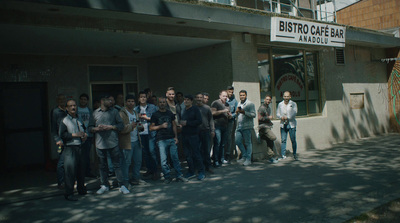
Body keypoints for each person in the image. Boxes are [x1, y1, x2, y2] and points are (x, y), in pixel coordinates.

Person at [88, 94, 130, 195]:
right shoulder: (95, 113)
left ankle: (122, 185)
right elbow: (89, 128)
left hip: (113, 142)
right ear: (102, 101)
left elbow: (121, 125)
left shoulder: (115, 112)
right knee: (102, 166)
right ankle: (104, 185)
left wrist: (110, 127)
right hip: (100, 143)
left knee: (117, 165)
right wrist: (96, 129)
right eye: (108, 100)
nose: (111, 102)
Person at [150, 97, 187, 184]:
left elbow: (174, 125)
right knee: (163, 160)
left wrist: (176, 137)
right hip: (161, 140)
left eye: (163, 102)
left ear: (166, 103)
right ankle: (167, 176)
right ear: (158, 104)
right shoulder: (155, 115)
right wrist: (160, 126)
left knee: (175, 158)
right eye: (160, 102)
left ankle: (179, 175)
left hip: (171, 138)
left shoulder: (170, 113)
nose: (162, 104)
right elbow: (151, 128)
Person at [59, 99, 88, 201]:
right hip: (70, 148)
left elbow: (84, 129)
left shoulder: (79, 119)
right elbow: (62, 134)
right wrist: (75, 135)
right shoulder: (65, 120)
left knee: (81, 170)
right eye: (70, 106)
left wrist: (85, 135)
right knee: (70, 171)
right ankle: (69, 193)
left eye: (74, 105)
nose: (73, 107)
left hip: (80, 147)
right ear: (67, 108)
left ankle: (81, 189)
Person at [134, 91, 159, 180]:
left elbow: (157, 118)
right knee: (145, 153)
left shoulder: (152, 107)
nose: (143, 98)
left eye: (144, 97)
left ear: (146, 98)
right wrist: (138, 117)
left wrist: (147, 118)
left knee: (152, 151)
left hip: (150, 132)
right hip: (140, 133)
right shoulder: (136, 109)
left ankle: (156, 171)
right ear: (139, 98)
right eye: (141, 97)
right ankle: (150, 169)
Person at [118, 94, 142, 186]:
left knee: (137, 161)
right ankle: (125, 181)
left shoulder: (135, 112)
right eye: (129, 101)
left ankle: (136, 179)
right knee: (126, 163)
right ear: (125, 102)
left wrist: (140, 127)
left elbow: (137, 124)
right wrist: (130, 126)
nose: (131, 103)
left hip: (137, 140)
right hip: (127, 142)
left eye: (132, 101)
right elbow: (121, 129)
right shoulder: (121, 113)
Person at [181, 95, 205, 180]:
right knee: (187, 155)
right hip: (185, 135)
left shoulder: (195, 109)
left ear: (191, 101)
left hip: (193, 135)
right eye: (185, 100)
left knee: (196, 154)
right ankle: (191, 171)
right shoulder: (184, 110)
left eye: (188, 100)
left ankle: (201, 171)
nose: (186, 101)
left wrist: (187, 123)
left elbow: (199, 121)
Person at [195, 93, 215, 174]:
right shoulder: (193, 108)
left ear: (203, 98)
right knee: (197, 150)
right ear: (195, 98)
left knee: (206, 150)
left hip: (206, 131)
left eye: (201, 97)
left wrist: (212, 130)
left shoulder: (207, 108)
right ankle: (199, 167)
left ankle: (208, 166)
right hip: (196, 132)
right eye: (198, 97)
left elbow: (211, 120)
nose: (199, 99)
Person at [50, 94, 67, 189]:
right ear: (57, 101)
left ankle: (70, 180)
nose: (62, 101)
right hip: (61, 140)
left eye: (64, 99)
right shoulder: (55, 111)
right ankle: (61, 182)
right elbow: (53, 128)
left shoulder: (67, 111)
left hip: (70, 138)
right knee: (61, 162)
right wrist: (57, 139)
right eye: (60, 99)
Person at [211, 91, 231, 167]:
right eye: (224, 96)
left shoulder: (227, 104)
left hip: (225, 126)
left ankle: (221, 159)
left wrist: (229, 115)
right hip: (217, 126)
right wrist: (223, 111)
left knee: (223, 144)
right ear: (220, 96)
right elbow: (212, 113)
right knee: (217, 143)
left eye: (226, 96)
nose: (225, 97)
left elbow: (227, 114)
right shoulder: (215, 103)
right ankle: (215, 160)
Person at [235, 90, 256, 166]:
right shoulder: (239, 103)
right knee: (237, 141)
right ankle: (244, 156)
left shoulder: (250, 104)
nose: (242, 97)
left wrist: (244, 112)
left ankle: (248, 159)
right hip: (239, 126)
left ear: (246, 95)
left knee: (248, 143)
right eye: (240, 95)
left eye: (243, 95)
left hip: (247, 126)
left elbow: (254, 115)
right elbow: (238, 114)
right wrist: (236, 112)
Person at [276, 91, 298, 161]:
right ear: (283, 97)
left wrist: (287, 117)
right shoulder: (280, 104)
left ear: (290, 97)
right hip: (283, 124)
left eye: (287, 96)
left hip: (291, 124)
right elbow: (277, 113)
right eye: (285, 96)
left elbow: (295, 112)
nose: (286, 98)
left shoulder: (293, 104)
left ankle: (294, 154)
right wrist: (281, 117)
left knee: (293, 140)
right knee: (283, 140)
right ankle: (283, 155)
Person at [77, 93, 95, 177]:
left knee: (87, 155)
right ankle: (80, 172)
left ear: (87, 101)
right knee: (79, 155)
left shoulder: (89, 110)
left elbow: (92, 122)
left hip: (88, 135)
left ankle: (87, 172)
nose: (83, 101)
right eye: (82, 99)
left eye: (85, 99)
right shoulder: (76, 109)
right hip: (78, 135)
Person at [258, 95, 278, 164]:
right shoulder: (262, 108)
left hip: (267, 126)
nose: (268, 101)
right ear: (264, 100)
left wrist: (270, 122)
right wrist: (268, 118)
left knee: (270, 141)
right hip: (263, 127)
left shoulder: (268, 108)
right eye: (267, 99)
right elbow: (259, 118)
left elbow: (267, 119)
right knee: (273, 137)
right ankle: (260, 136)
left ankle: (271, 157)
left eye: (269, 100)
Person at [225, 86, 238, 163]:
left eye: (232, 92)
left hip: (230, 122)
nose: (231, 93)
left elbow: (237, 111)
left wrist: (232, 115)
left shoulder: (235, 101)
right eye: (229, 92)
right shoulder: (223, 100)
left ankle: (228, 154)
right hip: (222, 121)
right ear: (227, 91)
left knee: (229, 137)